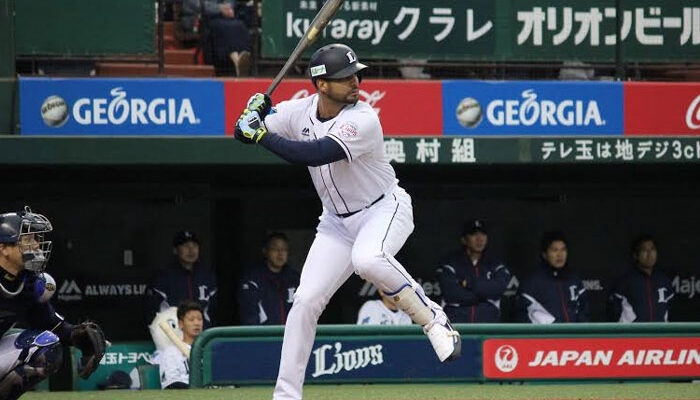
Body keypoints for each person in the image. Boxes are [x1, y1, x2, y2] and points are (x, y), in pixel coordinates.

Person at [234, 43, 461, 400]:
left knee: (367, 259)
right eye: (345, 77)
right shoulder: (298, 111)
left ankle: (433, 319)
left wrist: (260, 132)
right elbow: (241, 132)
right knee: (305, 302)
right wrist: (252, 113)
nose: (355, 82)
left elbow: (314, 153)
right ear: (321, 84)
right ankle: (286, 396)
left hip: (383, 209)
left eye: (356, 75)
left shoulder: (363, 118)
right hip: (335, 224)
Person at [0, 206, 106, 400]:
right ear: (4, 248)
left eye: (35, 239)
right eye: (27, 240)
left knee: (47, 344)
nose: (35, 246)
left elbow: (51, 324)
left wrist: (76, 336)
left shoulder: (28, 282)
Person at [436, 219, 511, 323]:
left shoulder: (496, 265)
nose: (479, 239)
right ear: (464, 239)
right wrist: (484, 298)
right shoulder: (450, 264)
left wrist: (468, 284)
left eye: (483, 234)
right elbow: (451, 293)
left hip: (487, 325)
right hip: (456, 325)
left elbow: (498, 289)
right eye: (474, 234)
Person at [147, 230, 218, 328]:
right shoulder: (163, 277)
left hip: (202, 333)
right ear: (175, 250)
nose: (191, 250)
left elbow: (212, 310)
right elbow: (157, 313)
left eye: (194, 246)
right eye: (186, 246)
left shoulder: (207, 276)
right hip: (174, 332)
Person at [515, 231, 589, 323]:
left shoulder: (574, 280)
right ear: (544, 254)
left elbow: (583, 313)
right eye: (554, 250)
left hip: (574, 332)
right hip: (546, 332)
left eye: (563, 250)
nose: (560, 255)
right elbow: (523, 317)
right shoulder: (532, 283)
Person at [608, 234, 674, 322]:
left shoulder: (664, 280)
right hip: (634, 330)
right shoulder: (625, 281)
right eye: (644, 250)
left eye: (652, 249)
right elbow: (614, 312)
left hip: (659, 330)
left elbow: (669, 312)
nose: (650, 254)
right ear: (636, 255)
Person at [237, 232, 300, 325]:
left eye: (284, 249)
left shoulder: (295, 279)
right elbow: (249, 316)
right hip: (264, 333)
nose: (280, 253)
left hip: (292, 332)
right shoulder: (253, 280)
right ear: (265, 251)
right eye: (275, 249)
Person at [181, 0, 252, 76]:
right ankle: (232, 62)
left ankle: (240, 57)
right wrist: (219, 9)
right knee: (222, 27)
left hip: (221, 17)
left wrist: (228, 8)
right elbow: (196, 4)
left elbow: (229, 2)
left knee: (239, 25)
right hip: (199, 18)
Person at [156, 300, 204, 389]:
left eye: (199, 319)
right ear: (181, 324)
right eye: (191, 319)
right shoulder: (171, 352)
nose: (196, 323)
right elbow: (170, 384)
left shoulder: (209, 349)